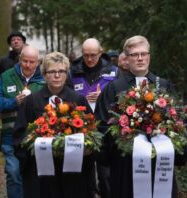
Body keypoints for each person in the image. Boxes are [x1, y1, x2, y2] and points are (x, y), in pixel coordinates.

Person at [94, 35, 185, 198]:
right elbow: (102, 126)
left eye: (144, 54)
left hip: (160, 162)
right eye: (135, 55)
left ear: (149, 56)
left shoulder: (163, 85)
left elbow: (179, 122)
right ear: (126, 59)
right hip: (126, 166)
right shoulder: (113, 89)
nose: (140, 58)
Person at [13, 52, 96, 198]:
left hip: (73, 174)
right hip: (41, 173)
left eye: (61, 71)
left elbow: (91, 133)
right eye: (52, 71)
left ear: (67, 74)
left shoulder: (78, 100)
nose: (57, 75)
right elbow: (19, 134)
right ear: (44, 74)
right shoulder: (31, 102)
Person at [0, 45, 45, 198]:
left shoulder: (43, 80)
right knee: (13, 173)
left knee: (34, 176)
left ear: (38, 62)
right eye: (25, 61)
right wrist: (14, 102)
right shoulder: (7, 76)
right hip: (11, 135)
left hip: (36, 137)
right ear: (19, 59)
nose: (28, 65)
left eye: (32, 62)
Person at [69, 38, 117, 198]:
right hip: (80, 129)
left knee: (106, 176)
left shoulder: (113, 71)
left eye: (93, 55)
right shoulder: (72, 71)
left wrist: (103, 97)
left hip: (105, 129)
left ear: (101, 53)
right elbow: (66, 98)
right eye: (86, 55)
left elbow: (121, 100)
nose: (89, 59)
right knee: (84, 177)